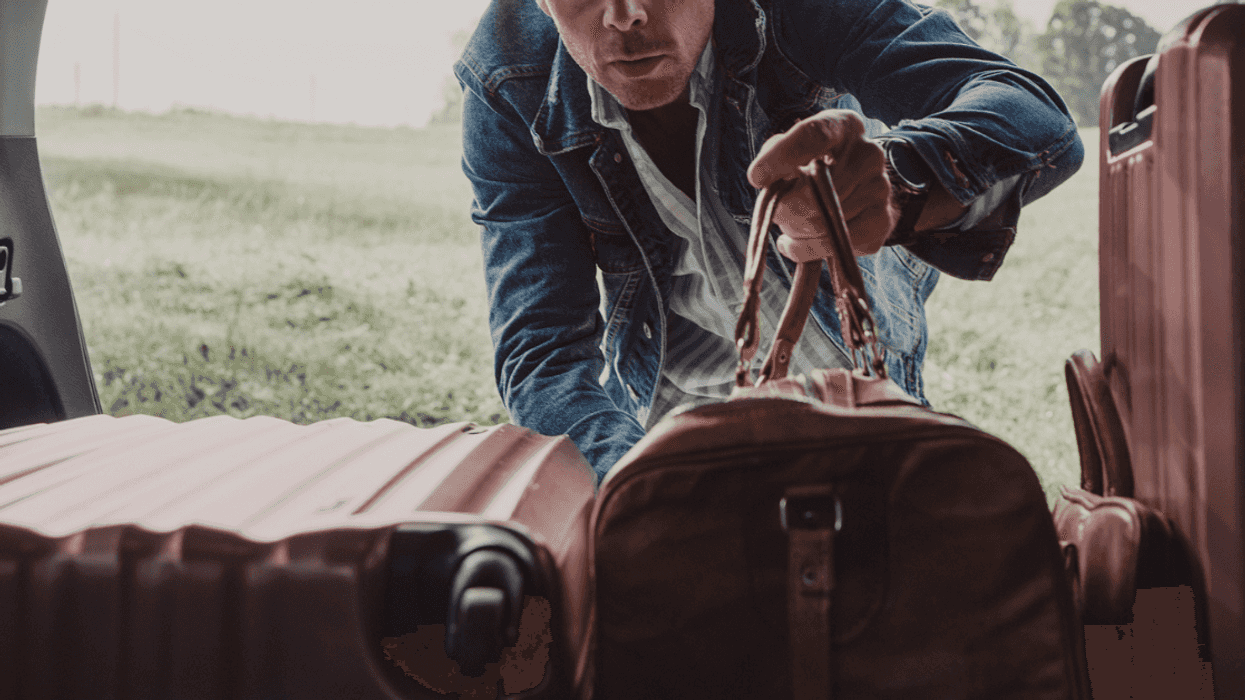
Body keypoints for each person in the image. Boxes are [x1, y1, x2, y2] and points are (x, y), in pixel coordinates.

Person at [454, 0, 1084, 483]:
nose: (628, 15)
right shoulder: (507, 75)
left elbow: (1034, 116)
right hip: (663, 405)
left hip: (850, 363)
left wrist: (898, 174)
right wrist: (634, 485)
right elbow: (543, 353)